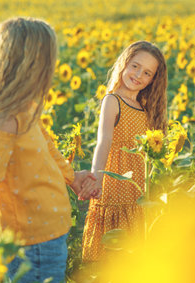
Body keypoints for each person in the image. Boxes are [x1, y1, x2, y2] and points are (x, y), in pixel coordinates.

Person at [0, 17, 97, 283]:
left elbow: (48, 148)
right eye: (48, 63)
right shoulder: (5, 120)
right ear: (30, 65)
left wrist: (72, 178)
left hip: (49, 234)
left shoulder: (24, 109)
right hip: (34, 240)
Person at [80, 41, 168, 262]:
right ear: (124, 63)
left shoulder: (145, 109)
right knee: (110, 250)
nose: (138, 75)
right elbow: (104, 141)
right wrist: (96, 178)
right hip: (114, 183)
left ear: (153, 80)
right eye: (135, 66)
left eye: (147, 73)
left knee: (133, 250)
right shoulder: (113, 101)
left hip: (137, 187)